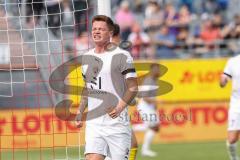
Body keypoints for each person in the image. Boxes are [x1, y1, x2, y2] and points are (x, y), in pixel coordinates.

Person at [75, 15, 138, 160]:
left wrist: (119, 108)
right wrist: (80, 111)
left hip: (117, 124)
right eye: (94, 29)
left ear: (110, 33)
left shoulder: (122, 55)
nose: (96, 32)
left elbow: (133, 87)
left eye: (101, 29)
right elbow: (87, 87)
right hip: (94, 123)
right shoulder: (86, 57)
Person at [111, 23, 138, 160]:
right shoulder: (122, 55)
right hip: (115, 110)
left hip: (112, 108)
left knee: (133, 144)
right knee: (128, 146)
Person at [135, 63, 160, 157]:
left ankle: (130, 129)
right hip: (144, 106)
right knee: (154, 127)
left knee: (154, 127)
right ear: (152, 70)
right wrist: (156, 101)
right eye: (157, 69)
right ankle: (145, 150)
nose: (158, 71)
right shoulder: (148, 81)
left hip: (149, 107)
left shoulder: (154, 80)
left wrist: (155, 105)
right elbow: (144, 97)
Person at [220, 54, 240, 160]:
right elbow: (224, 77)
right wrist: (223, 81)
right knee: (232, 139)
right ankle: (233, 157)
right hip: (237, 104)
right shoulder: (233, 61)